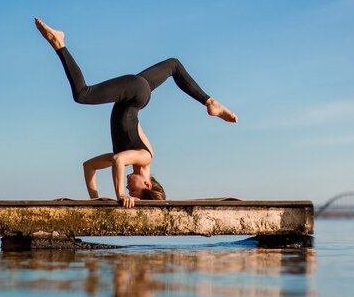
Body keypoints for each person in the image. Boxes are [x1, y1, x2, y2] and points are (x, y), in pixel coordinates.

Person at [34, 18, 237, 208]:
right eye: (133, 189)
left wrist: (95, 200)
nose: (128, 187)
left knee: (174, 65)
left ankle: (210, 102)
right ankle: (58, 42)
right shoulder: (144, 157)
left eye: (128, 190)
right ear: (147, 184)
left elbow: (89, 166)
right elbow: (118, 161)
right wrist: (120, 196)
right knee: (82, 94)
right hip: (134, 94)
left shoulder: (128, 155)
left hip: (137, 94)